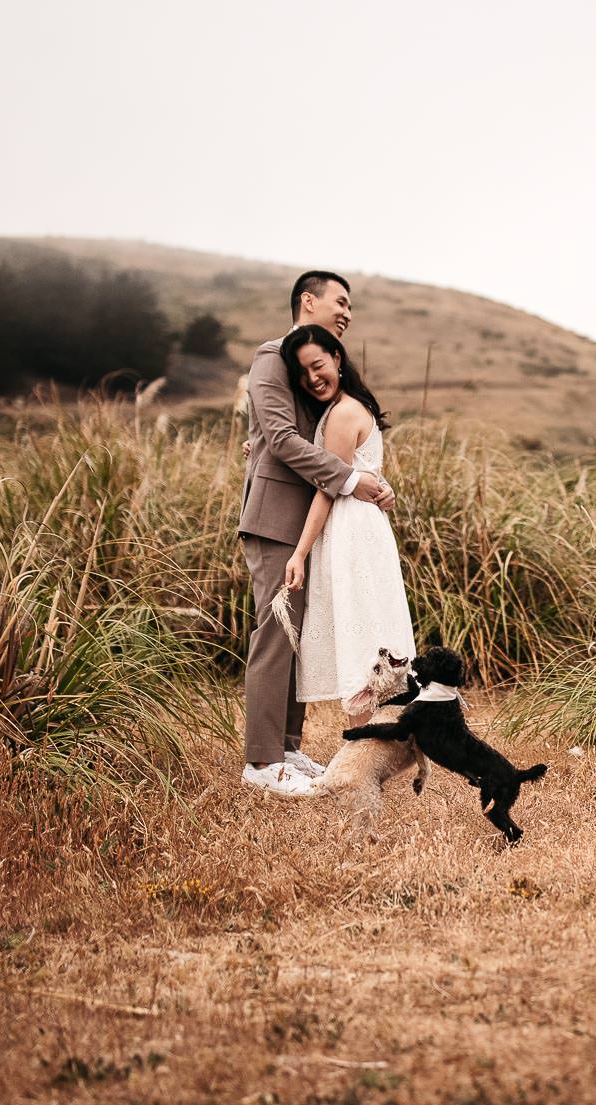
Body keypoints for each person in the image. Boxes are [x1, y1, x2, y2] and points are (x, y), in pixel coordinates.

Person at [237, 270, 394, 796]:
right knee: (275, 633)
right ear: (309, 300)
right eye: (340, 302)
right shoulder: (272, 357)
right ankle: (260, 762)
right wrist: (352, 479)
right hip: (274, 517)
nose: (347, 313)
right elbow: (280, 438)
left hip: (305, 517)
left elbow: (290, 437)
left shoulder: (309, 364)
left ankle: (286, 748)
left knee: (293, 637)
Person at [279, 325, 416, 718]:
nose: (311, 378)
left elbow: (327, 487)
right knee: (371, 627)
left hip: (350, 532)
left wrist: (299, 553)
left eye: (317, 365)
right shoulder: (353, 407)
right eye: (302, 373)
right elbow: (362, 472)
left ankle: (366, 742)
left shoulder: (342, 413)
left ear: (338, 359)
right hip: (365, 526)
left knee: (362, 636)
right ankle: (381, 736)